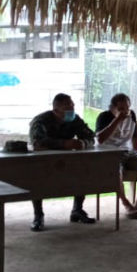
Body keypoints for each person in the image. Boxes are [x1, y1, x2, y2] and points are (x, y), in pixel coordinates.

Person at [28, 93, 97, 231]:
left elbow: (91, 136)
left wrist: (82, 144)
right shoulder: (41, 121)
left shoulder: (74, 119)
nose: (71, 109)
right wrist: (65, 144)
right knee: (38, 181)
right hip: (44, 161)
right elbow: (37, 142)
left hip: (69, 160)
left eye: (72, 105)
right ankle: (38, 215)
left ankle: (77, 210)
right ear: (56, 110)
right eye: (67, 106)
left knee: (82, 173)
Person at [95, 93, 137, 219]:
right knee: (118, 173)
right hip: (109, 154)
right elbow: (100, 139)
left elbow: (135, 137)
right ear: (112, 108)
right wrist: (117, 120)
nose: (125, 111)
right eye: (121, 109)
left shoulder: (131, 115)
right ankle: (127, 204)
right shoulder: (104, 117)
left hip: (128, 152)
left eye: (127, 108)